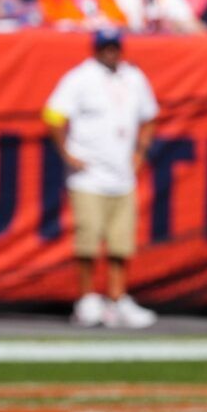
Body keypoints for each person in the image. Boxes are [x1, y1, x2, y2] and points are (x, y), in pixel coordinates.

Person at [42, 28, 159, 328]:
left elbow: (150, 116)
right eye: (105, 47)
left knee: (121, 243)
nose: (111, 52)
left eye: (115, 47)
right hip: (89, 176)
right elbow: (53, 115)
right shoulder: (80, 78)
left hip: (122, 175)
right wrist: (67, 154)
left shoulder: (133, 78)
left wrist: (140, 152)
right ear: (95, 49)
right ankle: (86, 299)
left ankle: (117, 298)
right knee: (88, 240)